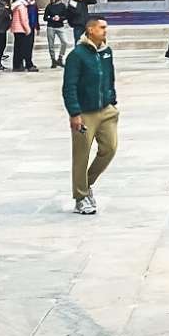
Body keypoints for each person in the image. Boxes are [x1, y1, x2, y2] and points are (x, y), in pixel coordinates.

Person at [62, 15, 118, 216]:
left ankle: (86, 183)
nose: (105, 31)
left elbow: (110, 77)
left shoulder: (107, 52)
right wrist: (74, 113)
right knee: (81, 156)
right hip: (85, 113)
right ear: (91, 30)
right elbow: (69, 86)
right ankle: (80, 196)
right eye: (102, 27)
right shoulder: (77, 55)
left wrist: (112, 99)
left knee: (110, 148)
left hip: (106, 110)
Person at [11, 0, 36, 71]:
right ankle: (19, 66)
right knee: (21, 48)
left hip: (16, 29)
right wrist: (28, 29)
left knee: (17, 48)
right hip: (21, 29)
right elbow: (23, 19)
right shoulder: (21, 6)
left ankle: (17, 65)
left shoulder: (17, 5)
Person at [45, 0, 69, 68]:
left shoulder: (62, 6)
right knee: (51, 44)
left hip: (60, 26)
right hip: (51, 26)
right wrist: (51, 18)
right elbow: (45, 17)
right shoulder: (49, 6)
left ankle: (60, 58)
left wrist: (60, 18)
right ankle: (53, 60)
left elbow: (66, 16)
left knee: (64, 42)